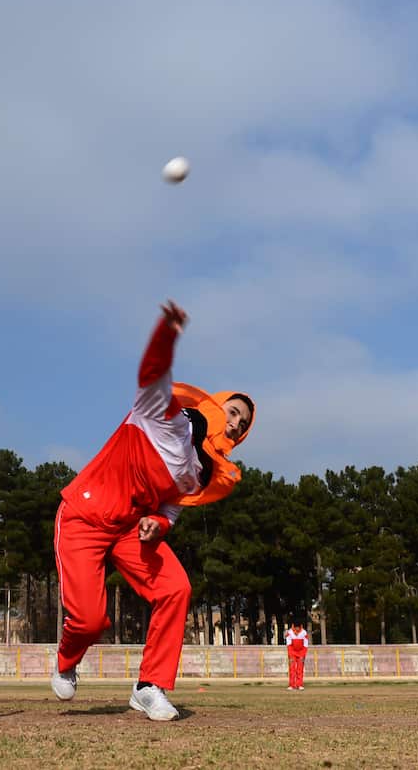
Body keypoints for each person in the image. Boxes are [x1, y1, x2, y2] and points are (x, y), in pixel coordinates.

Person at [51, 301, 255, 721]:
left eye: (244, 424)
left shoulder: (203, 473)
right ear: (215, 405)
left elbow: (172, 510)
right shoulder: (161, 414)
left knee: (175, 589)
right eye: (233, 412)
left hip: (130, 531)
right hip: (84, 517)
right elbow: (153, 372)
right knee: (91, 622)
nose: (235, 424)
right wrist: (168, 332)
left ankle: (149, 686)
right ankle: (67, 659)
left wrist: (157, 523)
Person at [285, 621, 309, 691]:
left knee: (300, 669)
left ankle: (299, 685)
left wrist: (302, 655)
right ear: (293, 626)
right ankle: (292, 685)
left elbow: (305, 645)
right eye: (296, 627)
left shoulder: (304, 632)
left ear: (301, 626)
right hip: (292, 653)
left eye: (298, 627)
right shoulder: (289, 632)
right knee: (292, 669)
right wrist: (290, 655)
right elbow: (289, 645)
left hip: (301, 652)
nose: (297, 629)